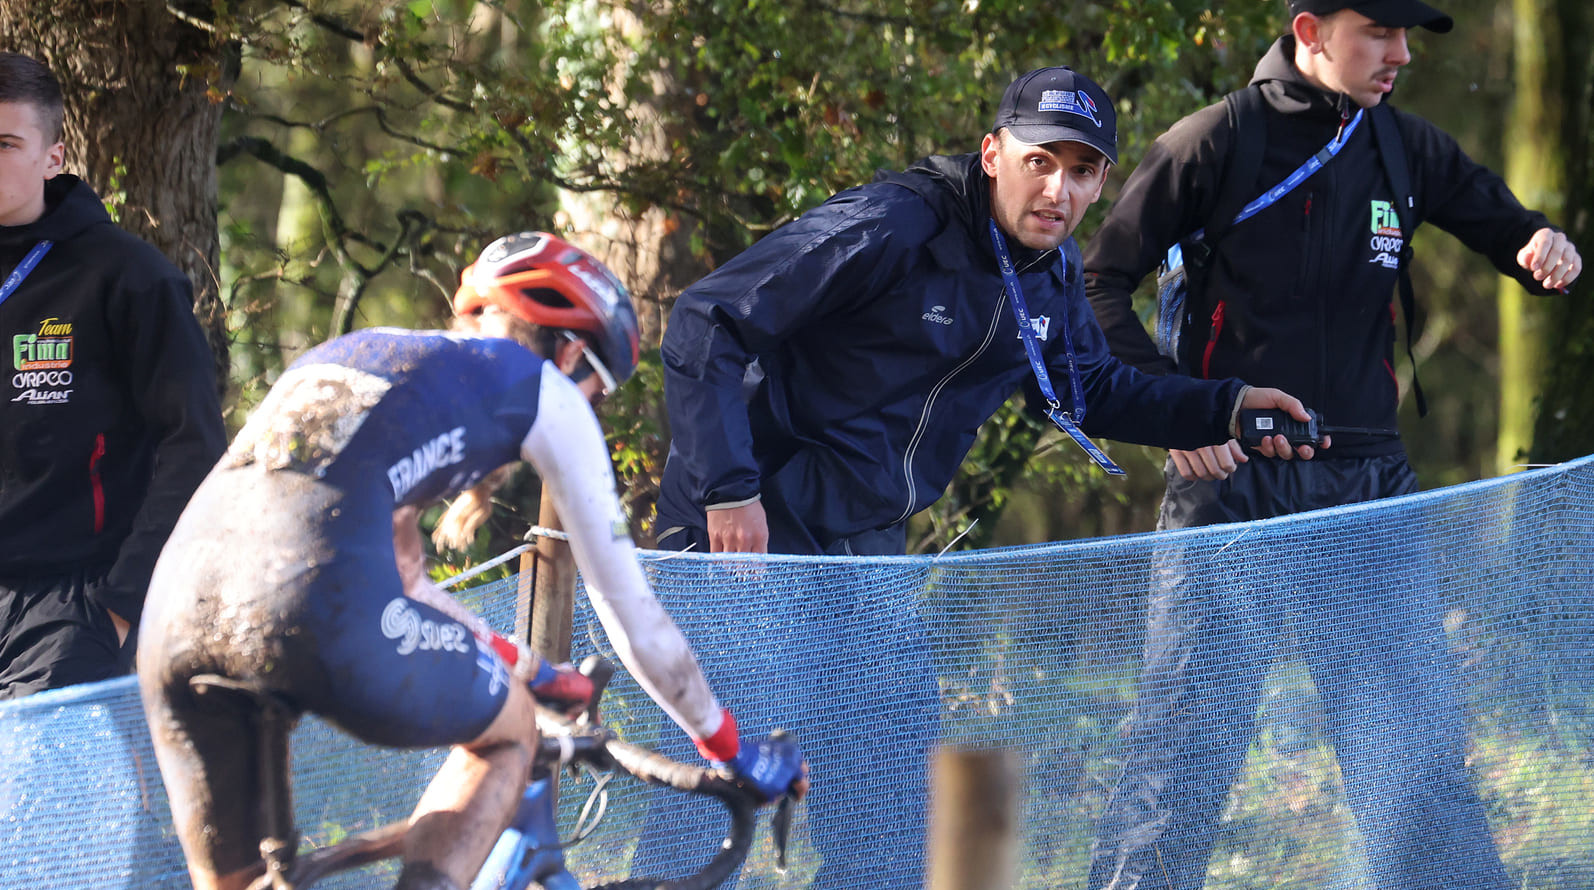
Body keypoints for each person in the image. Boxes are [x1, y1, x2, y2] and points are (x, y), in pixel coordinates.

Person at [651, 66, 1321, 889]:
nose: (1059, 190)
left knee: (901, 831)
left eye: (1082, 171)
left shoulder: (1049, 270)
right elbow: (705, 320)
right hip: (750, 538)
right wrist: (729, 488)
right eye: (1041, 161)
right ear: (994, 152)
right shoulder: (892, 225)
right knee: (710, 810)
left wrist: (1225, 408)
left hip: (866, 556)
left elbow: (1094, 388)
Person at [1081, 0, 1583, 887]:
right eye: (1378, 34)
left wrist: (1543, 245)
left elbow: (1510, 231)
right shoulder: (1213, 140)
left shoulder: (1407, 146)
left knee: (1417, 761)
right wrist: (1174, 412)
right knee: (1180, 762)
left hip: (1368, 493)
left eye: (1407, 37)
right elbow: (1097, 285)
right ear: (1310, 31)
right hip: (1232, 488)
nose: (1399, 55)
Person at [136, 232, 807, 890]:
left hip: (171, 616)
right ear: (572, 350)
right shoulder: (542, 387)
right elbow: (635, 619)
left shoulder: (361, 359)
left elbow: (395, 582)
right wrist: (727, 747)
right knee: (510, 730)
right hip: (314, 606)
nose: (590, 411)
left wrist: (530, 665)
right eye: (597, 393)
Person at [0, 52, 227, 699]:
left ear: (53, 156)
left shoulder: (128, 278)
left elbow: (194, 443)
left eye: (7, 143)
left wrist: (121, 603)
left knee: (39, 796)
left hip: (70, 605)